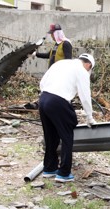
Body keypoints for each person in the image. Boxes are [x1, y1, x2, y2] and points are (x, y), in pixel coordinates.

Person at [39, 53, 97, 183]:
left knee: (50, 135)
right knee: (66, 136)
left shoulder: (61, 63)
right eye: (90, 69)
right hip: (58, 100)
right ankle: (64, 173)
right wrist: (90, 117)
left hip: (43, 99)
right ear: (88, 65)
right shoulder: (82, 70)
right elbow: (85, 96)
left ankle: (49, 168)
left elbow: (42, 83)